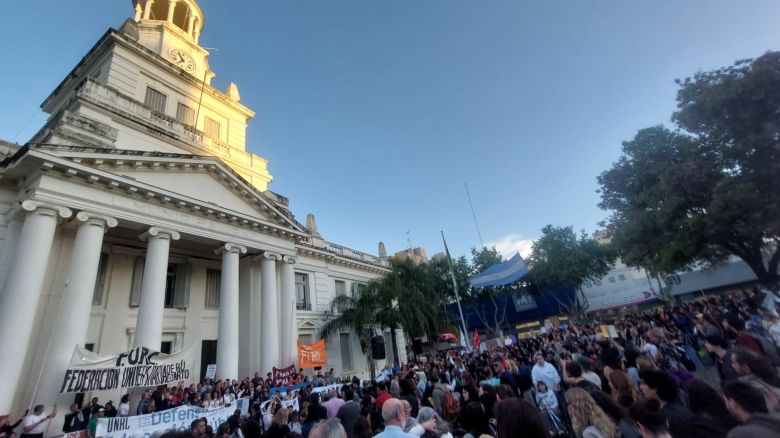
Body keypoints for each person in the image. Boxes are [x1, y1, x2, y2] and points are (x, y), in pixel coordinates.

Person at [638, 370, 694, 438]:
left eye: (644, 383)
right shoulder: (677, 406)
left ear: (654, 389)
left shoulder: (667, 417)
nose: (641, 387)